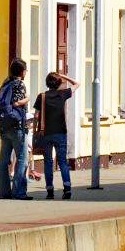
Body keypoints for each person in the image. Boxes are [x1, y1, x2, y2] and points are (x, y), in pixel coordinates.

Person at [33, 72, 79, 199]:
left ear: (47, 83)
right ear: (59, 83)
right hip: (60, 133)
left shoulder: (41, 96)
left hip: (46, 133)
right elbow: (77, 84)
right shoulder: (63, 94)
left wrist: (37, 130)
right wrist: (63, 76)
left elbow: (36, 115)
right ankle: (67, 188)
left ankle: (50, 191)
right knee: (63, 161)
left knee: (48, 162)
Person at [0, 58, 32, 200]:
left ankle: (4, 191)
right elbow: (16, 104)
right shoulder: (19, 84)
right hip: (18, 127)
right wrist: (26, 100)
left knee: (4, 160)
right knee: (22, 159)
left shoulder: (5, 83)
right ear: (22, 71)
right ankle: (18, 192)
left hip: (4, 127)